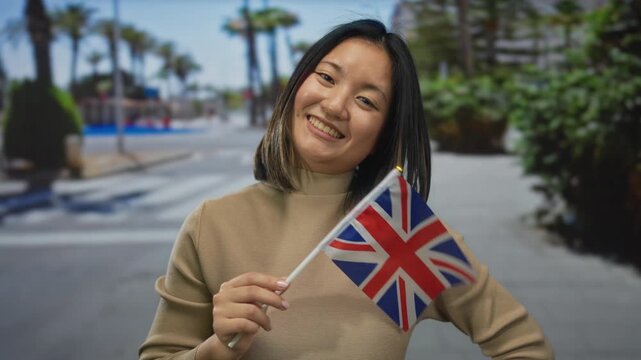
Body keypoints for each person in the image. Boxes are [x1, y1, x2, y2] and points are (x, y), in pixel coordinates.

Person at [139, 19, 553, 360]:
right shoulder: (212, 225)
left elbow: (526, 348)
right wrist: (217, 350)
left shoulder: (400, 233)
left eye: (367, 101)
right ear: (298, 85)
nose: (336, 106)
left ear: (383, 133)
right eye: (326, 77)